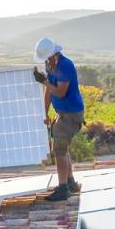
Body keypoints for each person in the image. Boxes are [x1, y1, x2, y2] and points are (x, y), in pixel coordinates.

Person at [32, 38, 84, 201]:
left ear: (55, 54)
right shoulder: (51, 65)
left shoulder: (65, 66)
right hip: (62, 114)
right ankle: (69, 183)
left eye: (47, 58)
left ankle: (63, 189)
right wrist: (45, 112)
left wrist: (44, 81)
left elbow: (60, 92)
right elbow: (49, 92)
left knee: (59, 150)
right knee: (62, 149)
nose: (46, 61)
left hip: (71, 115)